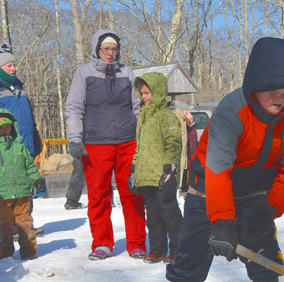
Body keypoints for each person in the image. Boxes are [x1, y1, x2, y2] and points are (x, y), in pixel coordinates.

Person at [146, 37, 284, 282]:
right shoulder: (232, 111)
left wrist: (269, 209)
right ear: (255, 86)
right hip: (208, 189)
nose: (281, 96)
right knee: (190, 253)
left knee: (265, 254)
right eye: (273, 89)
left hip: (255, 194)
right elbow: (219, 170)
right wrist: (222, 222)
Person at [65, 30, 147, 261]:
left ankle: (137, 242)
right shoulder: (84, 73)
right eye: (106, 49)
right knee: (98, 194)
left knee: (132, 193)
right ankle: (102, 243)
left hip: (128, 142)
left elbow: (137, 107)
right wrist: (75, 138)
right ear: (97, 49)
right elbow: (74, 108)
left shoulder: (127, 72)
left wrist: (142, 137)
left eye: (114, 49)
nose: (110, 53)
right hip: (95, 144)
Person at [0, 109, 46, 261]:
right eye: (0, 128)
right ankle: (4, 249)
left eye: (7, 127)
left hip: (22, 191)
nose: (5, 130)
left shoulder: (19, 146)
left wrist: (38, 180)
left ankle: (28, 249)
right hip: (1, 194)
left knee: (25, 222)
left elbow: (30, 166)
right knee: (3, 224)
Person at [129, 73, 183, 264]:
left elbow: (173, 144)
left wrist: (170, 168)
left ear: (158, 92)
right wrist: (134, 169)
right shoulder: (143, 117)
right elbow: (140, 146)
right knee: (152, 217)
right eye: (141, 93)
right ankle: (157, 250)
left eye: (147, 92)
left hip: (163, 175)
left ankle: (178, 249)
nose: (144, 97)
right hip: (146, 177)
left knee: (170, 214)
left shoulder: (166, 117)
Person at [176, 108, 198, 193]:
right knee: (183, 169)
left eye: (191, 119)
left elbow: (195, 141)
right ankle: (182, 186)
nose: (190, 121)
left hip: (191, 152)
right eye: (189, 119)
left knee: (189, 169)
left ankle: (187, 184)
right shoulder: (183, 125)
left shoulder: (193, 128)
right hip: (186, 151)